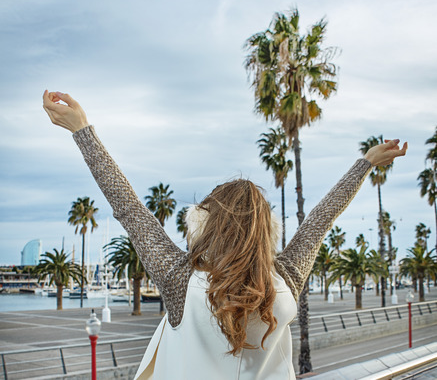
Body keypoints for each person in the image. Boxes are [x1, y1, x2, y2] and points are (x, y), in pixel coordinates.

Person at [42, 90, 407, 379]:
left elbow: (128, 208)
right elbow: (320, 220)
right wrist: (366, 164)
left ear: (202, 225)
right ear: (267, 232)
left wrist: (82, 130)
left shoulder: (180, 280)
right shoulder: (287, 280)